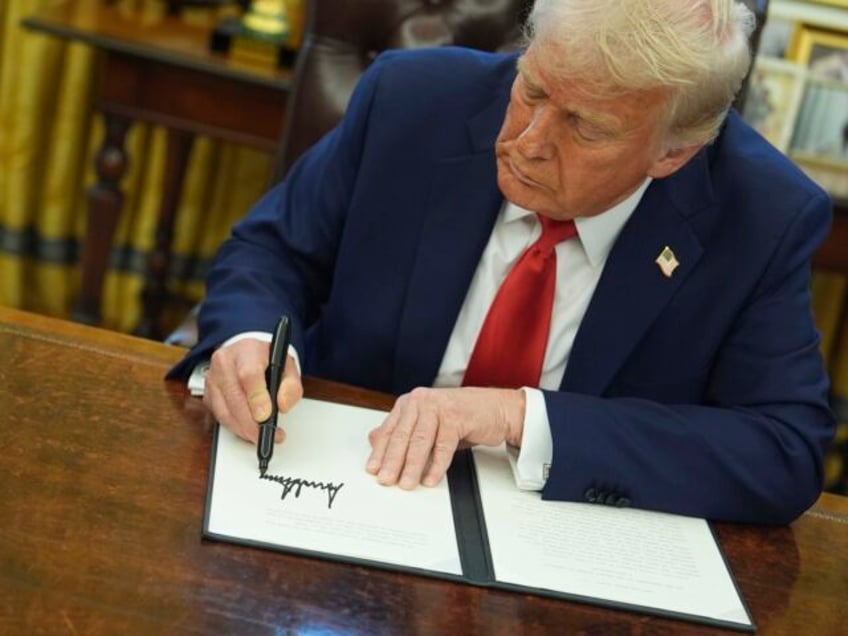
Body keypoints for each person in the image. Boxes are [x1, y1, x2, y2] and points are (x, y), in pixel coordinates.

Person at [168, 0, 835, 525]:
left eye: (585, 127)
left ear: (673, 153)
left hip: (568, 550)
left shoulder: (762, 217)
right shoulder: (412, 102)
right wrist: (253, 338)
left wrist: (519, 417)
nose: (527, 142)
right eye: (533, 89)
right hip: (341, 496)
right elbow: (272, 249)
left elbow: (783, 449)